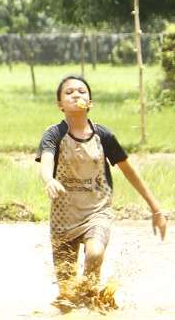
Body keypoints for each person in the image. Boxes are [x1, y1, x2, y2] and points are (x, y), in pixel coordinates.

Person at [37, 75, 168, 298]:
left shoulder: (103, 136)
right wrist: (49, 179)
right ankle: (78, 313)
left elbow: (129, 171)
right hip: (63, 218)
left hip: (97, 212)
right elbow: (47, 160)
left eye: (81, 91)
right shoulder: (54, 134)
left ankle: (92, 300)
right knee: (67, 295)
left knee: (95, 253)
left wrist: (156, 209)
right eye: (68, 93)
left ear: (90, 102)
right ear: (60, 105)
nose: (76, 95)